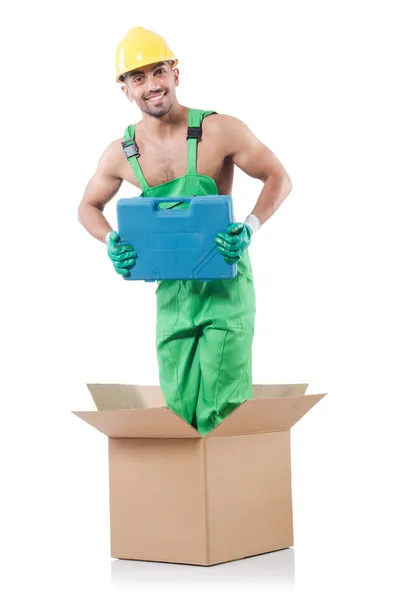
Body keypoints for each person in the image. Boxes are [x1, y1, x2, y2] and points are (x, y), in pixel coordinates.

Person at [78, 26, 293, 435]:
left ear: (176, 74)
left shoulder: (220, 129)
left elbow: (278, 177)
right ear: (125, 90)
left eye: (158, 72)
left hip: (224, 282)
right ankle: (187, 495)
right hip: (172, 291)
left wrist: (250, 226)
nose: (151, 85)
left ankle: (230, 492)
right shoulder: (121, 153)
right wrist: (110, 240)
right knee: (177, 411)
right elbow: (88, 206)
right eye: (137, 78)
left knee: (222, 409)